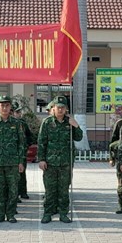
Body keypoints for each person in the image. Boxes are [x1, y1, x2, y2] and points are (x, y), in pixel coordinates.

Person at [38, 95, 83, 223]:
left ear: (66, 109)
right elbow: (42, 142)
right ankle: (48, 213)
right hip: (50, 163)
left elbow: (79, 138)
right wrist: (41, 159)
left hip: (65, 162)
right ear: (54, 108)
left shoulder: (69, 122)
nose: (60, 110)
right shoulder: (47, 122)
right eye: (58, 107)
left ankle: (63, 213)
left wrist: (76, 125)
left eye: (63, 107)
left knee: (63, 190)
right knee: (50, 189)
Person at [0, 95, 26, 223]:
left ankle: (10, 214)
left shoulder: (17, 123)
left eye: (7, 105)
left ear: (10, 108)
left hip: (13, 163)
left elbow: (21, 144)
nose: (4, 107)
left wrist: (21, 161)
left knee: (13, 190)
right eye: (2, 105)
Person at [13, 103, 35, 201]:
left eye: (19, 112)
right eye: (17, 112)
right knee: (13, 175)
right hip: (11, 154)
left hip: (21, 153)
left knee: (22, 173)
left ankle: (23, 192)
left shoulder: (22, 123)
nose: (19, 114)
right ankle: (15, 194)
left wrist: (26, 146)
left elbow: (30, 136)